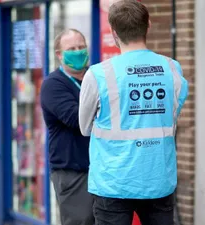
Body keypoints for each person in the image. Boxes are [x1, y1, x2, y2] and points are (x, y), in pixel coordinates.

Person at [79, 1, 189, 225]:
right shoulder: (172, 69)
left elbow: (85, 127)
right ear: (148, 25)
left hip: (113, 183)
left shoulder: (99, 74)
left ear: (114, 32)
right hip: (158, 178)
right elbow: (171, 117)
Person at [40, 29, 94, 225]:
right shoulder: (53, 85)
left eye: (81, 47)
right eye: (72, 48)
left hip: (100, 169)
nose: (78, 52)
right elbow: (76, 119)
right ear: (59, 55)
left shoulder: (94, 77)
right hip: (73, 172)